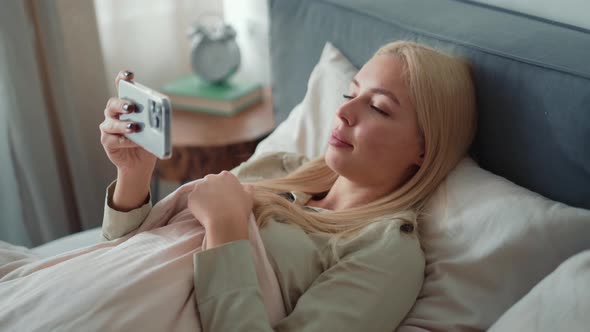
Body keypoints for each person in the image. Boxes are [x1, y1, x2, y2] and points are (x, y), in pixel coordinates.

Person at [98, 40, 476, 331]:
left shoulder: (387, 253)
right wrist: (134, 175)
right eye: (350, 93)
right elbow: (125, 254)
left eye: (377, 107)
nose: (343, 112)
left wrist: (226, 228)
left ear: (425, 149)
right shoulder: (278, 166)